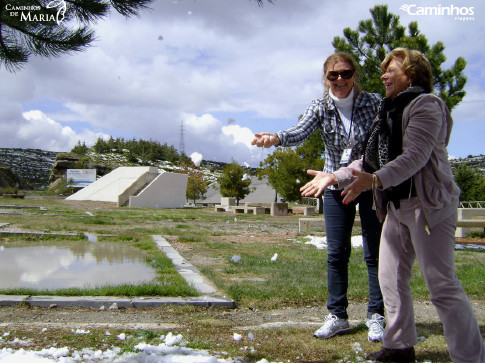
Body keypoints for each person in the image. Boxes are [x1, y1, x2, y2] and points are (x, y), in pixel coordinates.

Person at [300, 48, 485, 362]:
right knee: (390, 279)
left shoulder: (428, 105)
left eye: (391, 71)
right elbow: (367, 160)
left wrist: (372, 181)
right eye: (383, 70)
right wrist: (336, 176)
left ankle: (470, 357)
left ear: (411, 75)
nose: (383, 76)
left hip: (428, 207)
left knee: (441, 285)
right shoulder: (387, 111)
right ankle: (399, 347)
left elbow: (414, 157)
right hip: (396, 208)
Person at [251, 52, 385, 342]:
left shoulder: (373, 103)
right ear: (325, 79)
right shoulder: (320, 107)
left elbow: (384, 140)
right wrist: (275, 138)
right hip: (333, 185)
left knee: (374, 251)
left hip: (367, 182)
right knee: (337, 253)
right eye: (333, 75)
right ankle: (338, 316)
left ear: (355, 75)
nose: (340, 80)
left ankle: (377, 315)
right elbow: (300, 130)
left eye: (346, 73)